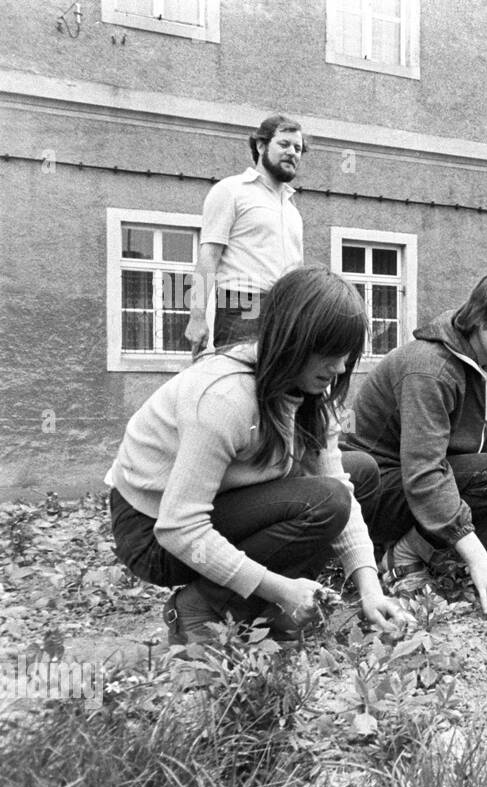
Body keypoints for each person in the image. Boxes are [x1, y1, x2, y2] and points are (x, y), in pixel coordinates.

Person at [106, 266, 409, 648]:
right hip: (151, 532)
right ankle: (199, 608)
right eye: (328, 354)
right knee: (324, 502)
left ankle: (258, 612)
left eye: (346, 355)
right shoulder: (224, 399)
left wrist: (370, 586)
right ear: (291, 341)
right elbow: (179, 527)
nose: (339, 368)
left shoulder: (311, 392)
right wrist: (282, 588)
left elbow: (342, 489)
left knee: (358, 474)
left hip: (217, 505)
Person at [342, 265, 487, 616]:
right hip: (380, 494)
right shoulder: (431, 369)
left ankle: (424, 544)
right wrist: (477, 558)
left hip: (434, 491)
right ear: (479, 318)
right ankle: (403, 552)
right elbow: (425, 471)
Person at [186, 114, 306, 354]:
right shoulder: (231, 191)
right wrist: (197, 316)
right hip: (241, 306)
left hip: (285, 312)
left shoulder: (291, 209)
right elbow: (209, 256)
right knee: (239, 385)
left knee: (280, 387)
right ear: (261, 146)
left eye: (298, 148)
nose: (292, 152)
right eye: (283, 144)